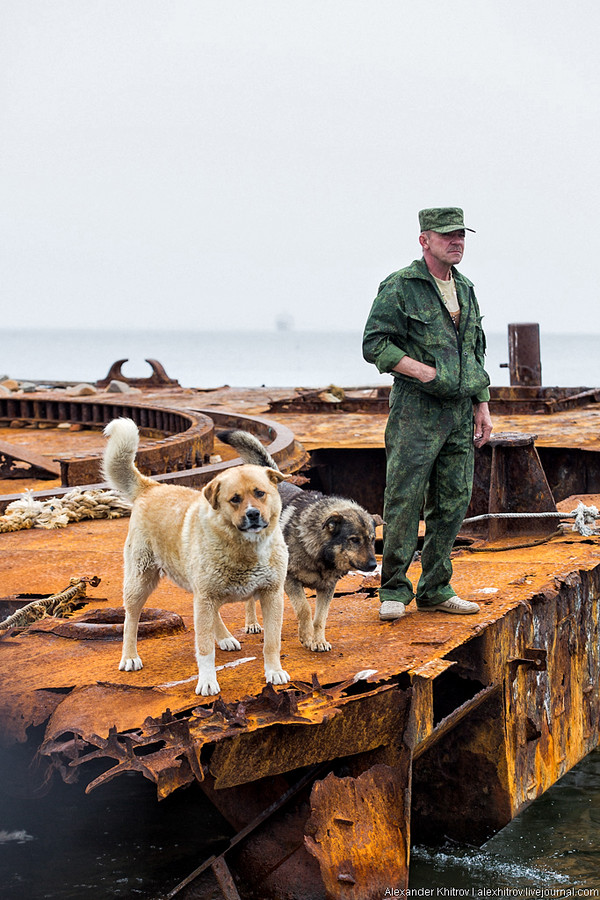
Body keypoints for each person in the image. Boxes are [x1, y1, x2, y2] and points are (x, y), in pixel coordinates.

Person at [362, 207, 493, 620]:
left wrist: (482, 404)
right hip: (416, 410)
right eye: (446, 235)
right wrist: (421, 371)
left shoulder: (466, 288)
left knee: (453, 500)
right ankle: (395, 590)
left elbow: (474, 352)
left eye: (461, 235)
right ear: (425, 240)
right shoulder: (402, 286)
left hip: (459, 412)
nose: (456, 242)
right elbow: (374, 343)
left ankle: (436, 587)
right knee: (405, 496)